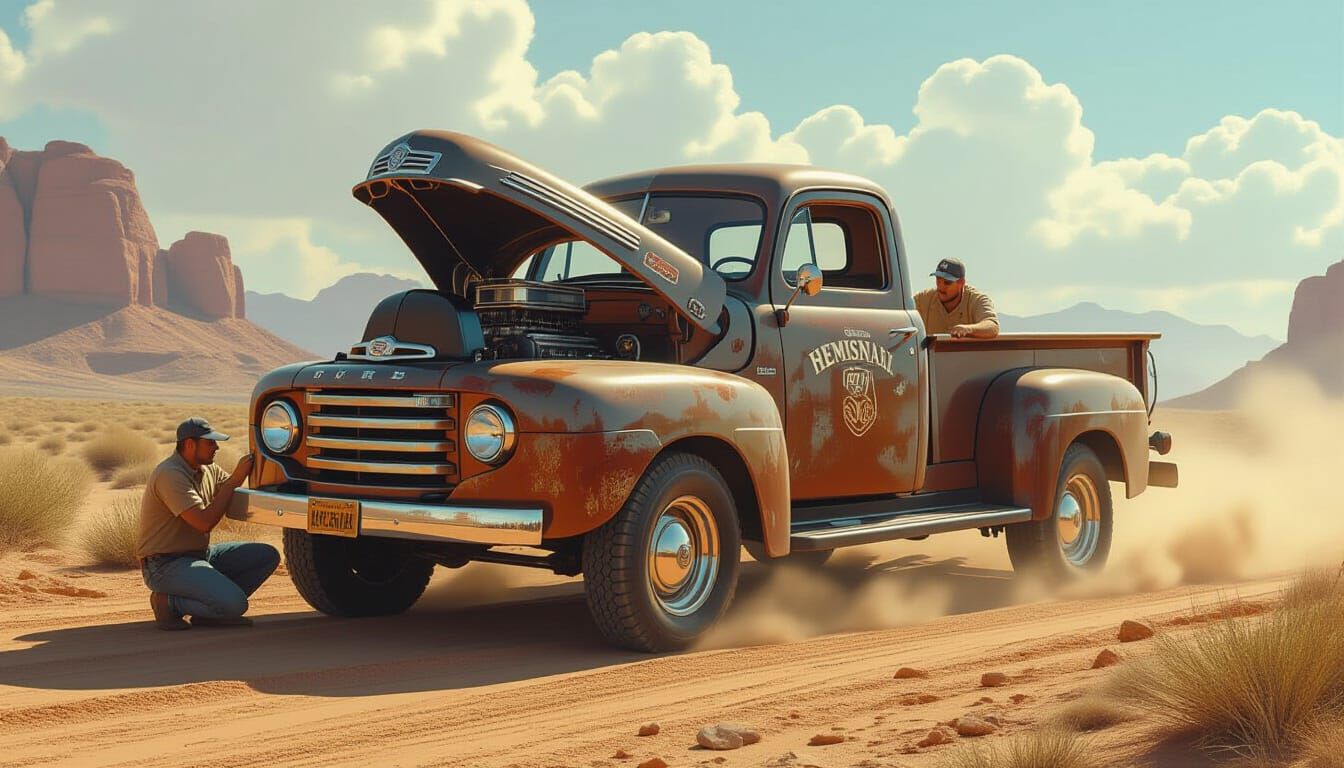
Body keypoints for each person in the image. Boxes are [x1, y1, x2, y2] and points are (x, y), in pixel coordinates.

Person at [136, 417, 278, 631]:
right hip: (165, 564)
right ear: (190, 444)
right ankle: (169, 603)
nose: (216, 447)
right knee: (237, 604)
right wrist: (233, 481)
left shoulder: (206, 469)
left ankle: (212, 609)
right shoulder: (170, 475)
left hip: (199, 555)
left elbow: (231, 490)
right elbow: (203, 523)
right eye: (210, 443)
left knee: (267, 555)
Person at [913, 258, 1000, 339]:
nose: (941, 286)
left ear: (961, 283)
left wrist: (968, 329)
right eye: (938, 279)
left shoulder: (976, 299)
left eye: (947, 282)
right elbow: (902, 309)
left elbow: (992, 326)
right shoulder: (924, 299)